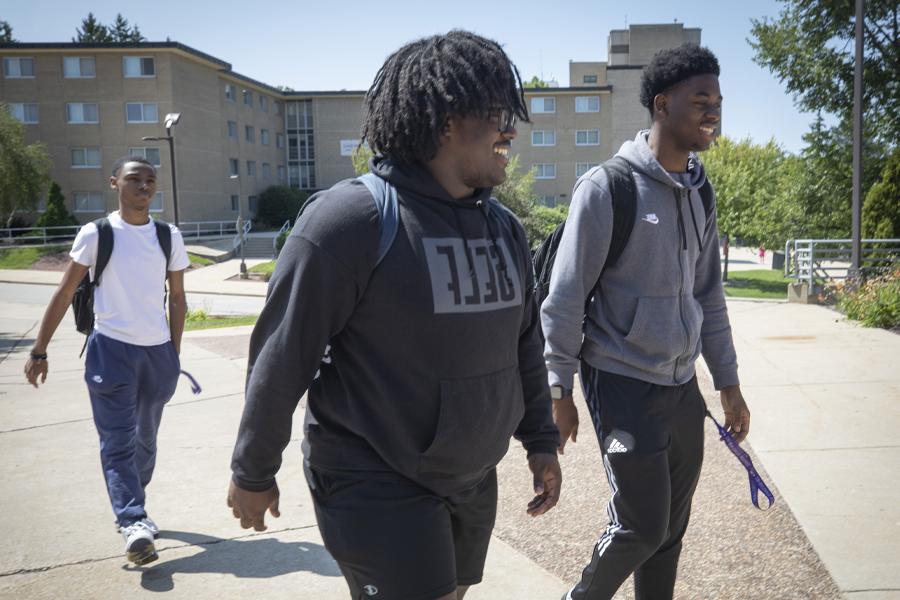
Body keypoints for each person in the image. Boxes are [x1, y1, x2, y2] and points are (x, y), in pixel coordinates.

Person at [227, 30, 562, 600]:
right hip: (373, 477)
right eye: (497, 111)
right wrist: (252, 472)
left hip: (471, 477)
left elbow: (525, 343)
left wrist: (540, 440)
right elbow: (282, 358)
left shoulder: (502, 227)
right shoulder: (350, 220)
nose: (511, 127)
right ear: (446, 121)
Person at [541, 44, 751, 600]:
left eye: (718, 101)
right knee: (640, 526)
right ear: (662, 103)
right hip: (622, 380)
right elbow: (563, 299)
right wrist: (559, 389)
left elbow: (708, 294)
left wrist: (728, 385)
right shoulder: (608, 188)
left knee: (670, 532)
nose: (714, 112)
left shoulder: (700, 191)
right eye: (701, 99)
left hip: (682, 387)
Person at [24, 156, 189, 566]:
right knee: (118, 442)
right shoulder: (96, 234)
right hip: (110, 350)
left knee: (145, 439)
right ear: (114, 183)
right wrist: (39, 350)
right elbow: (64, 293)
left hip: (157, 355)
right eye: (134, 179)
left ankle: (136, 504)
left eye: (150, 180)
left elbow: (179, 297)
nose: (144, 186)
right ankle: (133, 521)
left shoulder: (169, 236)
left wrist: (174, 353)